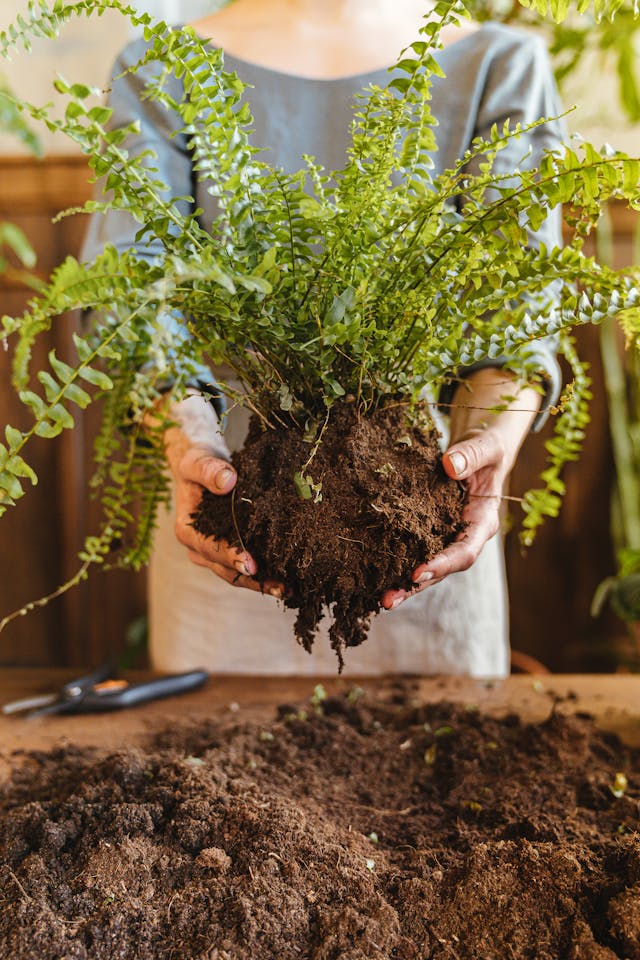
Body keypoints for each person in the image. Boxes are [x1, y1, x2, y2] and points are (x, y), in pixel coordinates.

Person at [81, 0, 564, 677]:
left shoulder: (497, 65)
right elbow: (130, 299)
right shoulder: (161, 64)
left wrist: (488, 441)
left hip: (414, 520)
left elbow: (512, 317)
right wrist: (184, 434)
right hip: (234, 507)